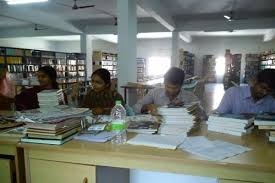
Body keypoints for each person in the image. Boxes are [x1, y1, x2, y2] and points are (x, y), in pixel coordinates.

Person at [133, 67, 202, 115]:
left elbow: (203, 115)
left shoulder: (190, 97)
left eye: (175, 88)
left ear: (181, 85)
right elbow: (135, 108)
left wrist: (187, 109)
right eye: (168, 86)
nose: (171, 91)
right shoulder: (154, 93)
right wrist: (147, 107)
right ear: (164, 83)